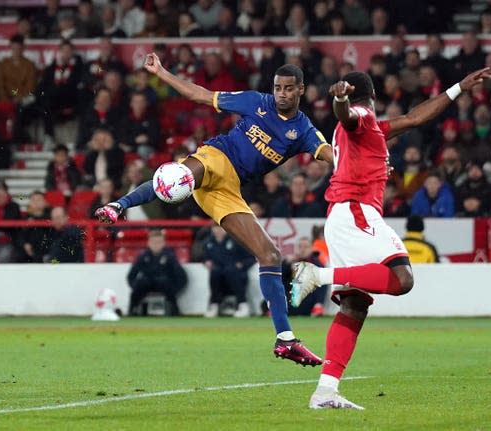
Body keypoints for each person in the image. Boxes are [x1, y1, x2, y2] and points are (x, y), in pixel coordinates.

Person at [94, 54, 334, 366]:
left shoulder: (303, 130)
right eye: (277, 87)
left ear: (301, 90)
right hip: (215, 158)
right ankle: (118, 205)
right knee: (176, 176)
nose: (281, 94)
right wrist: (163, 72)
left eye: (288, 89)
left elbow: (328, 152)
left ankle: (285, 339)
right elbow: (200, 95)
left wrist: (359, 164)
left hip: (228, 190)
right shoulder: (255, 101)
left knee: (270, 255)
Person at [291, 67, 491, 409]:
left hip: (343, 215)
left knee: (354, 306)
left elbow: (415, 118)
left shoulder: (373, 130)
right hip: (355, 212)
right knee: (402, 278)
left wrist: (458, 87)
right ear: (371, 98)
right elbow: (349, 115)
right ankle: (317, 274)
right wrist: (341, 99)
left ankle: (325, 392)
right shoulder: (362, 116)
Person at [127, 229, 187, 316]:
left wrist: (175, 289)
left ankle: (174, 309)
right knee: (141, 282)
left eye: (159, 242)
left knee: (164, 282)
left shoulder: (170, 256)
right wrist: (135, 286)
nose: (156, 245)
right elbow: (131, 275)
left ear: (163, 243)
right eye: (153, 242)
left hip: (164, 283)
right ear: (148, 243)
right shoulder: (143, 256)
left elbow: (181, 275)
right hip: (147, 283)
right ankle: (133, 310)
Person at [203, 224, 256, 318]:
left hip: (235, 273)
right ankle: (214, 304)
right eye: (215, 228)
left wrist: (242, 264)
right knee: (215, 272)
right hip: (219, 273)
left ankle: (242, 304)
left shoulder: (236, 241)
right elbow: (204, 257)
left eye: (220, 228)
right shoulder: (208, 243)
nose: (218, 230)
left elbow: (250, 258)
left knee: (230, 271)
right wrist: (206, 261)